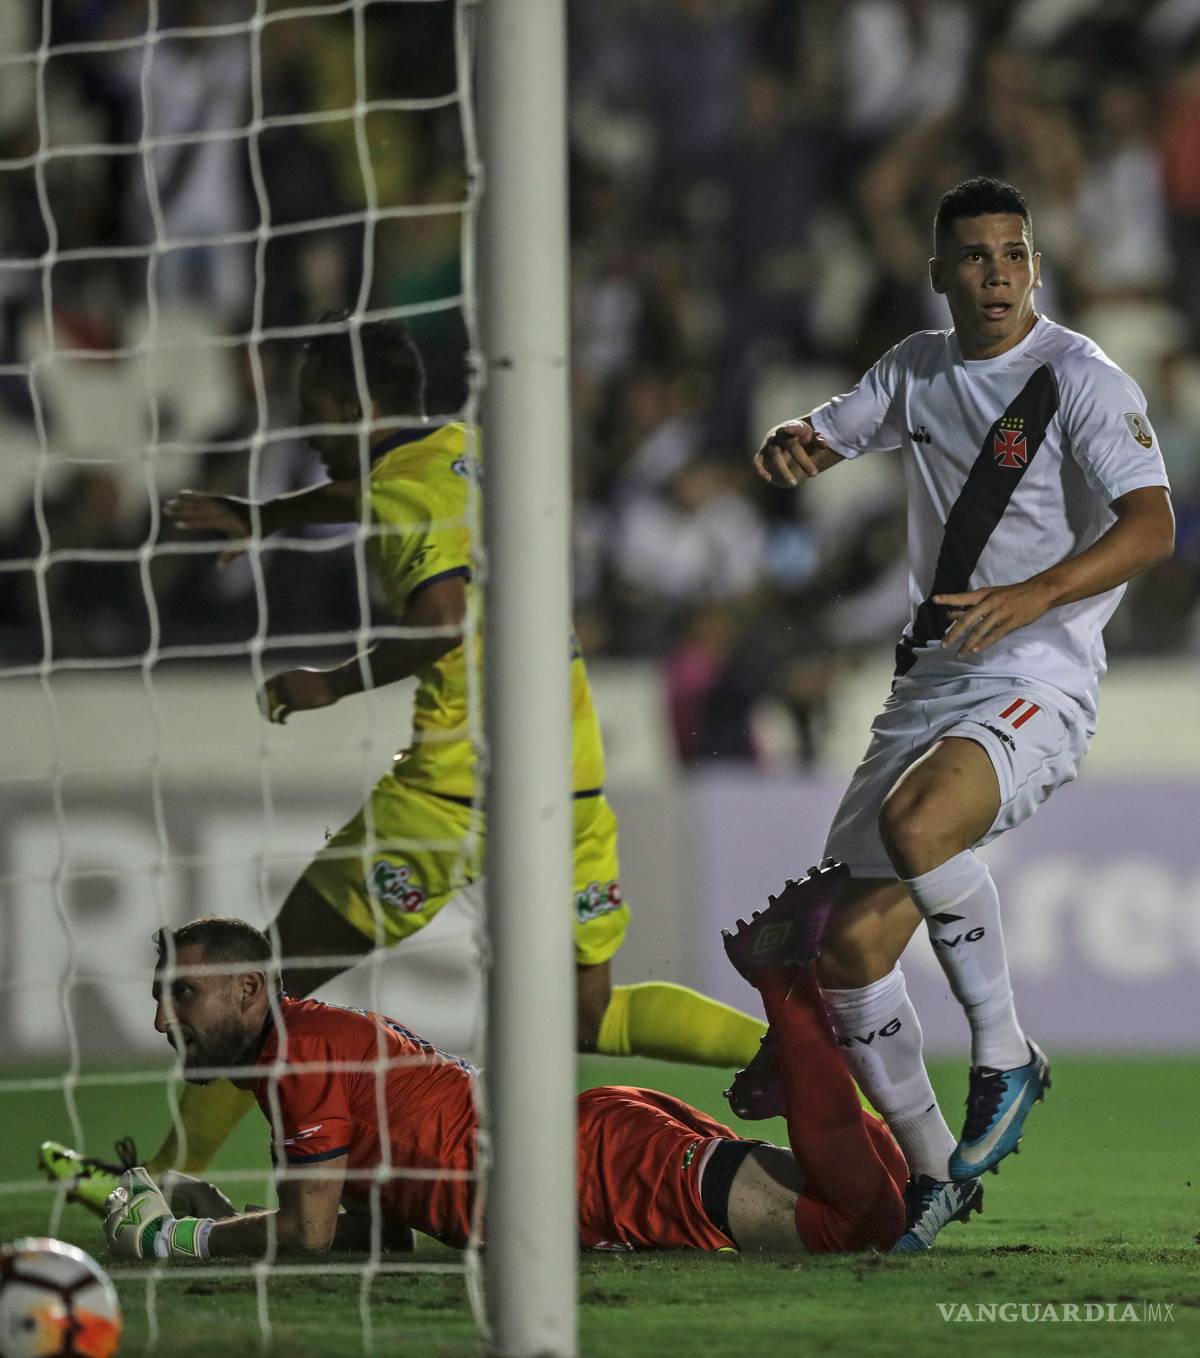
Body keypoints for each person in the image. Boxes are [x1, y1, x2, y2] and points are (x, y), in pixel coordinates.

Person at [122, 311, 767, 1182]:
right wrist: (265, 515)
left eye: (313, 409)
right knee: (587, 1014)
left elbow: (440, 621)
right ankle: (809, 1059)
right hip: (566, 772)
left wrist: (329, 683)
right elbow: (364, 492)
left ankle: (166, 1179)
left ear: (349, 405)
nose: (307, 433)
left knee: (267, 988)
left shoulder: (401, 490)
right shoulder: (464, 454)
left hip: (455, 790)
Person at [742, 177, 1175, 1249]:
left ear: (1036, 264)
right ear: (938, 272)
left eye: (1012, 253)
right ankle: (937, 1171)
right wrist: (796, 438)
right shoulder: (916, 368)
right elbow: (837, 427)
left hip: (1041, 668)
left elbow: (1154, 524)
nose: (995, 274)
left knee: (920, 825)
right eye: (973, 257)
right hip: (929, 679)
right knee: (842, 948)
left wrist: (1039, 593)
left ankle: (1006, 1049)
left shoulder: (1079, 375)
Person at [44, 895, 907, 1260]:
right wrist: (227, 1214)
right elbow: (371, 1236)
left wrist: (175, 1240)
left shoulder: (299, 1054)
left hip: (587, 1174)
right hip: (581, 1151)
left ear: (245, 988)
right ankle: (849, 1091)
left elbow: (307, 1238)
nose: (163, 1022)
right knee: (882, 1205)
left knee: (854, 1224)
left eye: (181, 995)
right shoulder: (297, 1055)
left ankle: (791, 992)